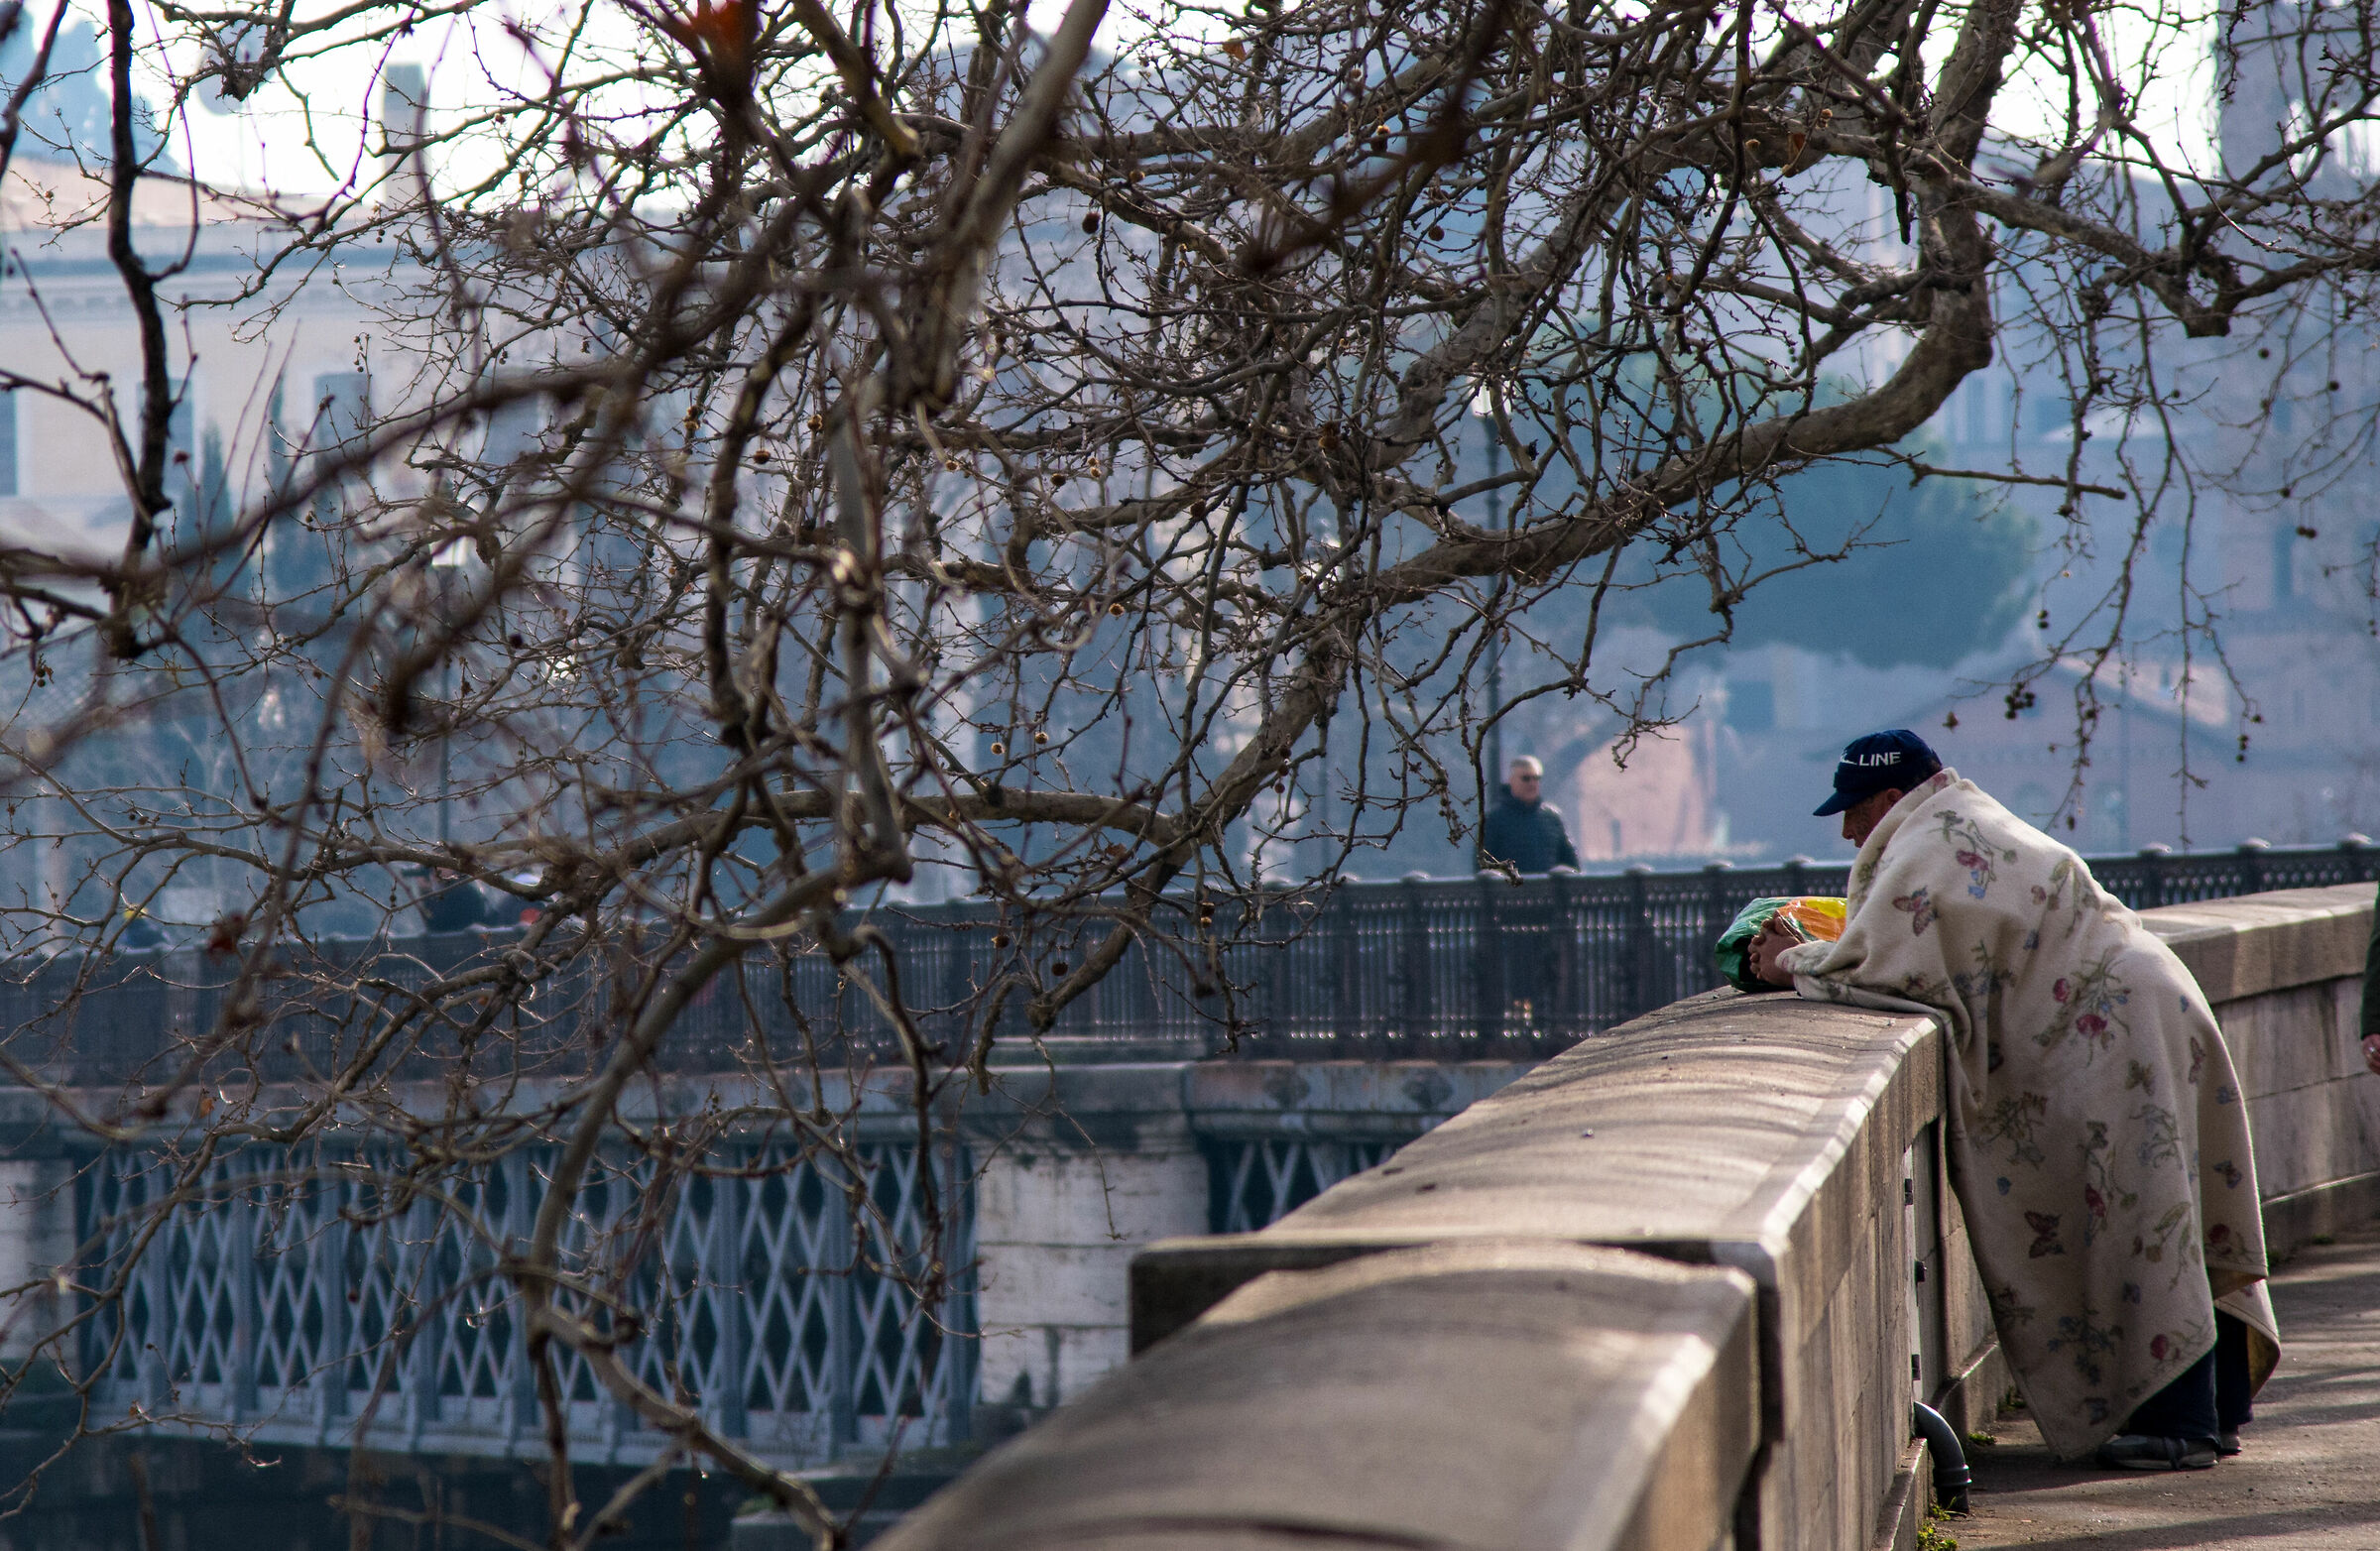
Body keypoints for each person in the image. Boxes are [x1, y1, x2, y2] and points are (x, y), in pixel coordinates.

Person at [1747, 729, 2279, 1472]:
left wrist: (1788, 962)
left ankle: (2183, 1426)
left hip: (2114, 1031)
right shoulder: (1964, 820)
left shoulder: (1928, 847)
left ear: (1893, 799)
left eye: (1855, 810)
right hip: (2150, 1003)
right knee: (2167, 1210)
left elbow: (1885, 967)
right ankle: (2213, 1414)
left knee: (2136, 1216)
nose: (1847, 829)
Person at [1479, 756, 1580, 875]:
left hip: (1547, 892)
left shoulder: (1552, 817)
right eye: (1526, 778)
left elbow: (1571, 864)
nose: (1532, 783)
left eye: (1536, 778)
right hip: (1511, 891)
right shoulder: (1494, 819)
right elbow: (1484, 865)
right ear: (1511, 781)